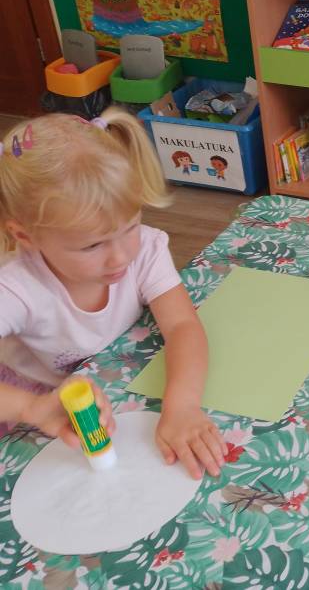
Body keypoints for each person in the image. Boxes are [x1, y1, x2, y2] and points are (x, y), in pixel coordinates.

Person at [0, 110, 225, 479]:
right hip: (44, 404)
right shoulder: (15, 287)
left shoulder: (145, 249)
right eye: (92, 246)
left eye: (131, 226)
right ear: (25, 235)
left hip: (119, 384)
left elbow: (182, 325)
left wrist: (182, 406)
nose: (121, 257)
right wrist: (30, 407)